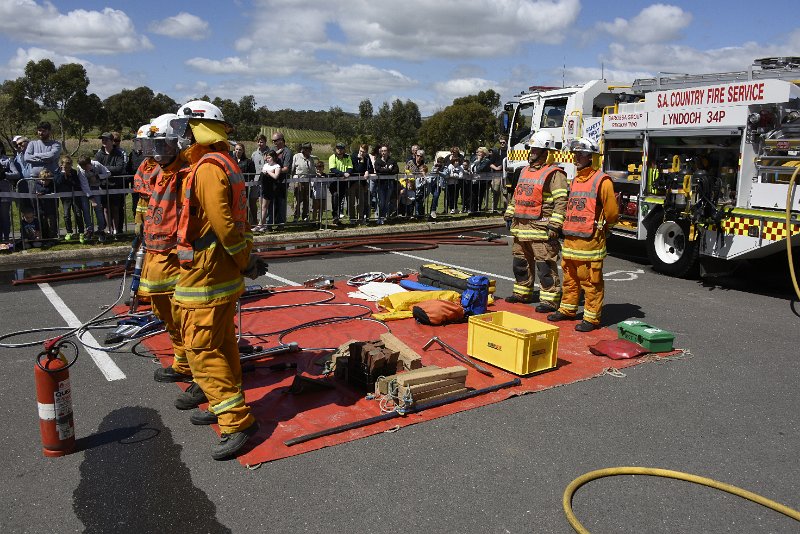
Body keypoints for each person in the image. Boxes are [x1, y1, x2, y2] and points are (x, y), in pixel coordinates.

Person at [170, 100, 262, 460]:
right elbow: (238, 220)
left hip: (207, 273)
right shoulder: (225, 162)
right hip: (218, 271)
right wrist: (245, 259)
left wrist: (243, 259)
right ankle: (222, 402)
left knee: (202, 347)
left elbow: (223, 225)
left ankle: (235, 421)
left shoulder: (208, 168)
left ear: (199, 130)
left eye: (185, 129)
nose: (181, 137)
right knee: (221, 345)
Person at [136, 113, 194, 386]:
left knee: (182, 316)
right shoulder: (160, 172)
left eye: (163, 145)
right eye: (154, 146)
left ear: (177, 144)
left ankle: (191, 365)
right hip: (155, 252)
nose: (157, 152)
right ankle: (182, 361)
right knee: (165, 314)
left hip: (174, 255)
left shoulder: (186, 173)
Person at [548, 137, 619, 332]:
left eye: (581, 154)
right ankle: (567, 309)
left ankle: (591, 318)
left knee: (590, 282)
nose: (576, 157)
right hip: (571, 241)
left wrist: (603, 228)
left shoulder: (601, 181)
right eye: (575, 153)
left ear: (592, 157)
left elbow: (612, 212)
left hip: (590, 243)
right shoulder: (576, 180)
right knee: (570, 279)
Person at [503, 132, 567, 311]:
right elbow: (517, 195)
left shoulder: (554, 174)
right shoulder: (524, 171)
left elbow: (561, 202)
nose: (531, 152)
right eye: (531, 148)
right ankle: (522, 293)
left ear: (545, 152)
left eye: (536, 149)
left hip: (541, 229)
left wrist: (555, 224)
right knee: (520, 263)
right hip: (520, 228)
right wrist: (509, 213)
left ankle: (550, 300)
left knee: (544, 266)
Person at [25, 121, 61, 238]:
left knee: (51, 209)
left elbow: (52, 156)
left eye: (44, 130)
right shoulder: (32, 144)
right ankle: (40, 235)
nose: (41, 132)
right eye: (39, 130)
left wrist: (35, 156)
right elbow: (26, 157)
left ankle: (53, 235)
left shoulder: (56, 144)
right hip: (34, 180)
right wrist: (45, 158)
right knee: (36, 208)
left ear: (49, 131)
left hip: (50, 181)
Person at [94, 132, 126, 237]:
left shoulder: (119, 154)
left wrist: (104, 169)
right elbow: (96, 168)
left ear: (112, 141)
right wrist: (106, 170)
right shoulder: (99, 154)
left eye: (106, 139)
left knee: (116, 208)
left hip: (115, 185)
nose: (104, 141)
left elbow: (119, 168)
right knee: (106, 208)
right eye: (102, 139)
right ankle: (109, 229)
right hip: (103, 185)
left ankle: (116, 229)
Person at [54, 154, 89, 242]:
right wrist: (63, 174)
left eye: (69, 167)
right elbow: (57, 183)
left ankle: (81, 232)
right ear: (61, 165)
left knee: (78, 213)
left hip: (75, 195)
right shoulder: (57, 172)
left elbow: (76, 183)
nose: (67, 169)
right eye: (65, 167)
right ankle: (69, 232)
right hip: (65, 197)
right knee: (66, 215)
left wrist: (69, 176)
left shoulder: (73, 172)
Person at [76, 155, 111, 243]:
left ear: (89, 163)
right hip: (85, 191)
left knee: (98, 209)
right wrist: (92, 199)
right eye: (82, 167)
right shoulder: (80, 170)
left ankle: (101, 230)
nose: (84, 168)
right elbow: (85, 186)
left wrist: (98, 177)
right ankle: (89, 230)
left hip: (95, 188)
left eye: (85, 166)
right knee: (86, 210)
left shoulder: (97, 164)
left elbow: (108, 173)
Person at [327, 142, 354, 224]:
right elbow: (333, 169)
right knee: (335, 197)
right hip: (334, 181)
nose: (339, 150)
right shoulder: (332, 157)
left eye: (341, 148)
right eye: (338, 148)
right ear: (336, 149)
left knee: (340, 199)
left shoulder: (348, 157)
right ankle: (335, 215)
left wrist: (348, 173)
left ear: (344, 150)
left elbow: (350, 167)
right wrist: (343, 173)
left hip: (343, 182)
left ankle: (338, 216)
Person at [269, 132, 291, 229]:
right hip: (272, 182)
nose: (273, 142)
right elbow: (267, 159)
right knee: (271, 203)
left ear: (281, 140)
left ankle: (280, 224)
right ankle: (270, 223)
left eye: (275, 140)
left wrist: (275, 170)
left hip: (282, 182)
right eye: (272, 141)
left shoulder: (287, 152)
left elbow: (286, 168)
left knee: (281, 203)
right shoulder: (272, 150)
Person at [232, 142, 257, 226]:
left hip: (244, 187)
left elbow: (252, 174)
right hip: (233, 187)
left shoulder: (248, 162)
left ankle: (246, 222)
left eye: (240, 149)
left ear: (243, 151)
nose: (238, 151)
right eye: (237, 149)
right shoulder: (231, 161)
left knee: (243, 205)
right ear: (234, 150)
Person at [373, 144, 399, 225]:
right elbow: (378, 170)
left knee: (387, 202)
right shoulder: (377, 161)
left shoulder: (392, 161)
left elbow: (396, 170)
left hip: (389, 184)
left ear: (388, 152)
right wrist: (388, 169)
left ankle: (383, 217)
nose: (383, 152)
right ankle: (379, 217)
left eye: (385, 151)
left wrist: (385, 169)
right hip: (380, 184)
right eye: (382, 151)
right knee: (381, 202)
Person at [291, 142, 315, 222]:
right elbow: (292, 169)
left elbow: (313, 171)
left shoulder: (311, 159)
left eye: (309, 149)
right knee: (297, 199)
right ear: (303, 149)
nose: (308, 150)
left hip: (307, 181)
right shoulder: (296, 157)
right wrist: (294, 178)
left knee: (306, 199)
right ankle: (296, 216)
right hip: (298, 181)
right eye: (306, 149)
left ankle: (305, 216)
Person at [350, 144, 373, 223]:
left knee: (361, 202)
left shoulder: (367, 158)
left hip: (362, 183)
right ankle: (352, 219)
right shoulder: (353, 157)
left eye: (364, 152)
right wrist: (362, 161)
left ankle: (361, 218)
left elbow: (371, 169)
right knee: (352, 202)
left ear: (366, 152)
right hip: (352, 183)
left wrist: (368, 171)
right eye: (361, 151)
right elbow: (357, 169)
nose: (362, 153)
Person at [257, 150, 280, 231]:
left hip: (269, 188)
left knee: (264, 207)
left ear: (273, 157)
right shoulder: (266, 165)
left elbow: (276, 176)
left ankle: (261, 225)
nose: (267, 159)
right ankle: (262, 224)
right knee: (261, 207)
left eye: (269, 157)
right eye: (267, 157)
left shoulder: (277, 166)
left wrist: (268, 172)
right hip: (262, 187)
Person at [468, 147, 492, 214]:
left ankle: (477, 210)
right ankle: (472, 209)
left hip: (482, 181)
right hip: (474, 180)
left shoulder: (486, 161)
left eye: (480, 152)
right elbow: (471, 167)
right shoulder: (474, 159)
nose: (478, 153)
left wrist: (478, 161)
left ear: (484, 153)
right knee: (473, 195)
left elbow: (479, 170)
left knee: (479, 195)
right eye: (477, 152)